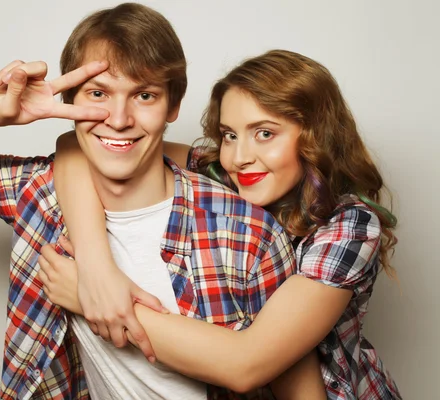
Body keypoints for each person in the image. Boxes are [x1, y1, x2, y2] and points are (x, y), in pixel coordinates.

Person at [0, 3, 311, 399]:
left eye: (144, 95)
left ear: (174, 106)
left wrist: (92, 291)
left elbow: (288, 384)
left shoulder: (246, 230)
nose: (118, 119)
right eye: (98, 94)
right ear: (70, 100)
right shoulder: (40, 194)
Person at [46, 49, 402, 399]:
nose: (240, 157)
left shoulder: (349, 225)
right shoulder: (225, 174)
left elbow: (245, 364)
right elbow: (82, 147)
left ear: (315, 135)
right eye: (230, 135)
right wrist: (96, 266)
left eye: (264, 133)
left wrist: (93, 298)